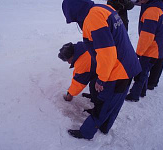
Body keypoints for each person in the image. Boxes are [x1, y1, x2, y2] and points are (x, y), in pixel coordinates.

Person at [62, 0, 141, 140]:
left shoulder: (94, 18)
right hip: (126, 63)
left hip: (118, 69)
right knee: (114, 102)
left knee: (105, 103)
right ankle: (104, 127)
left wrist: (102, 79)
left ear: (75, 12)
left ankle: (86, 133)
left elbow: (107, 53)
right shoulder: (102, 8)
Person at [126, 0, 163, 102]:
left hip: (151, 49)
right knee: (145, 70)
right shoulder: (160, 9)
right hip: (157, 48)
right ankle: (142, 91)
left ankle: (134, 95)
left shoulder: (152, 12)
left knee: (141, 72)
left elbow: (147, 36)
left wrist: (139, 52)